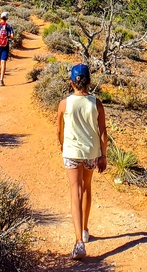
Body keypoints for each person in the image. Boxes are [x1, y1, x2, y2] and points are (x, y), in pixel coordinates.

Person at [56, 63, 107, 260]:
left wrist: (62, 145)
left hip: (71, 152)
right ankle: (85, 230)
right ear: (89, 82)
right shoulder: (96, 103)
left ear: (72, 82)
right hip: (91, 153)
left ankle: (78, 242)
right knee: (87, 188)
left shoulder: (64, 103)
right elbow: (103, 132)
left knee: (74, 192)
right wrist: (103, 156)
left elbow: (59, 130)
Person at [0, 11, 14, 85]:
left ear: (0, 17)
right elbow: (12, 36)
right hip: (5, 46)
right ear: (7, 18)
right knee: (3, 62)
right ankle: (1, 80)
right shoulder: (9, 26)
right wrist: (7, 37)